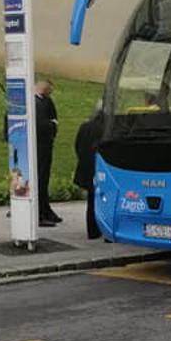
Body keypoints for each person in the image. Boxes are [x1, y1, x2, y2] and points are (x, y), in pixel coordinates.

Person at [74, 102, 105, 239]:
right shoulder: (107, 129)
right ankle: (105, 231)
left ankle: (91, 231)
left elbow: (77, 145)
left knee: (91, 200)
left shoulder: (85, 126)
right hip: (102, 168)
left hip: (86, 167)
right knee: (104, 200)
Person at [34, 79, 61, 226]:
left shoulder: (46, 101)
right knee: (39, 178)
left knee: (43, 179)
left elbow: (53, 118)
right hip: (39, 146)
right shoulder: (34, 103)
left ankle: (45, 209)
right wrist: (52, 125)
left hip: (45, 145)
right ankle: (39, 212)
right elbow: (43, 124)